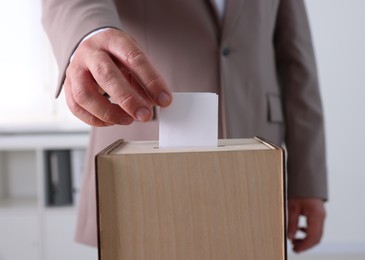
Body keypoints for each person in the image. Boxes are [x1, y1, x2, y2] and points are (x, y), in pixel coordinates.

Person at [42, 0, 328, 253]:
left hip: (257, 159)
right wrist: (89, 34)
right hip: (146, 152)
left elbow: (296, 62)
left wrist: (307, 181)